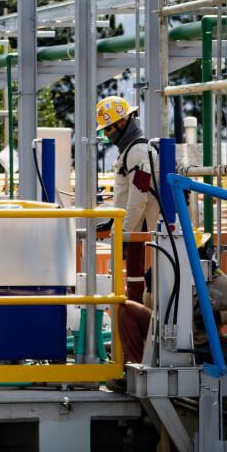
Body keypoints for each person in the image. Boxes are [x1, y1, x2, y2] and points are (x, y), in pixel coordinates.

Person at [96, 96, 161, 303]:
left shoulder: (138, 151)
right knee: (134, 284)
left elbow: (139, 195)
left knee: (138, 287)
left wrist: (123, 233)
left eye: (108, 129)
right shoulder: (131, 151)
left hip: (141, 230)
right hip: (137, 228)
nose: (106, 135)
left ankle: (137, 329)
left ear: (122, 122)